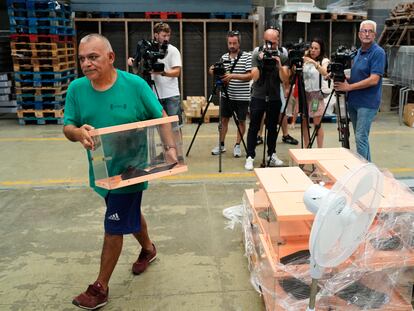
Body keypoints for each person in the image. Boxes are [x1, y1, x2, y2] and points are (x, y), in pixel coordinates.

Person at [63, 34, 174, 310]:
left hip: (132, 168)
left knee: (113, 225)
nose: (86, 63)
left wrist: (170, 148)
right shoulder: (77, 89)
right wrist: (77, 133)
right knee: (129, 213)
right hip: (102, 169)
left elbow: (160, 115)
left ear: (111, 58)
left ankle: (100, 287)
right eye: (82, 58)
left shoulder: (134, 85)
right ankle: (148, 250)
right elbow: (68, 126)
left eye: (93, 57)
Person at [335, 20, 385, 161]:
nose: (367, 34)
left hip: (367, 102)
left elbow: (374, 79)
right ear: (359, 34)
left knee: (360, 137)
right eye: (364, 31)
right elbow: (356, 75)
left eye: (370, 31)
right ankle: (368, 170)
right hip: (354, 101)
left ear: (375, 34)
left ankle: (364, 173)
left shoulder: (378, 53)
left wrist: (349, 87)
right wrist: (340, 77)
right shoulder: (357, 53)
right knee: (360, 136)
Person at [244, 28, 289, 170]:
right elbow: (255, 77)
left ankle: (271, 154)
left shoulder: (282, 54)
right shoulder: (257, 52)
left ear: (278, 41)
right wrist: (260, 62)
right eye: (267, 42)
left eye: (273, 43)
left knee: (272, 127)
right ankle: (250, 156)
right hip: (258, 95)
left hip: (275, 96)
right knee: (254, 127)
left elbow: (285, 80)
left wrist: (279, 65)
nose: (270, 46)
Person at [128, 22, 183, 127]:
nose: (166, 38)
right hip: (154, 94)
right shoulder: (148, 49)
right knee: (161, 126)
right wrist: (133, 61)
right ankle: (165, 144)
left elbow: (177, 72)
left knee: (175, 127)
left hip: (171, 95)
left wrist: (163, 73)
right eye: (164, 35)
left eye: (168, 35)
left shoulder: (173, 50)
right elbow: (139, 63)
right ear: (156, 35)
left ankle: (176, 144)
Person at [209, 30, 252, 157]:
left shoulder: (247, 57)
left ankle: (237, 145)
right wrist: (212, 70)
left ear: (239, 43)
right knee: (223, 120)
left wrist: (232, 76)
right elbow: (218, 71)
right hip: (226, 95)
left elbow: (250, 76)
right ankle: (221, 144)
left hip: (242, 96)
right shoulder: (224, 57)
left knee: (242, 121)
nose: (232, 46)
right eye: (230, 43)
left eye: (234, 43)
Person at [302, 37, 330, 148]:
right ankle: (307, 147)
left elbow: (325, 73)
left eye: (316, 48)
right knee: (304, 122)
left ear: (321, 50)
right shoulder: (305, 59)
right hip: (305, 95)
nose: (313, 50)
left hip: (315, 97)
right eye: (311, 48)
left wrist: (314, 63)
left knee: (317, 123)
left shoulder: (324, 61)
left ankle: (319, 149)